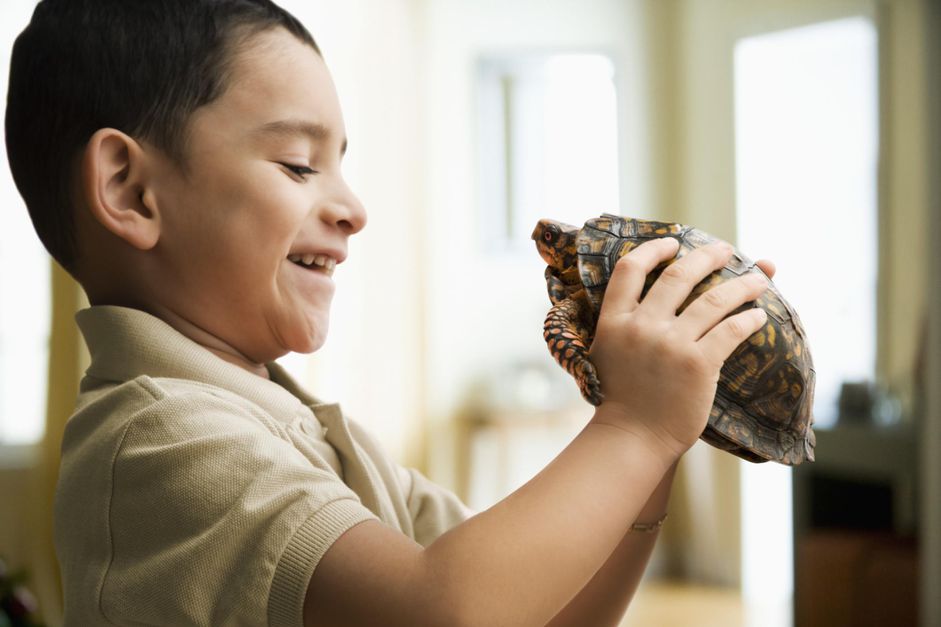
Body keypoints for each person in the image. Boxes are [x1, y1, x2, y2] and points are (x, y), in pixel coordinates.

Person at [4, 1, 773, 625]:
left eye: (342, 161)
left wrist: (656, 446)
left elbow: (550, 610)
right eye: (299, 163)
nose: (352, 207)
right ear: (131, 191)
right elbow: (441, 609)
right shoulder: (156, 439)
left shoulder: (302, 428)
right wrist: (635, 426)